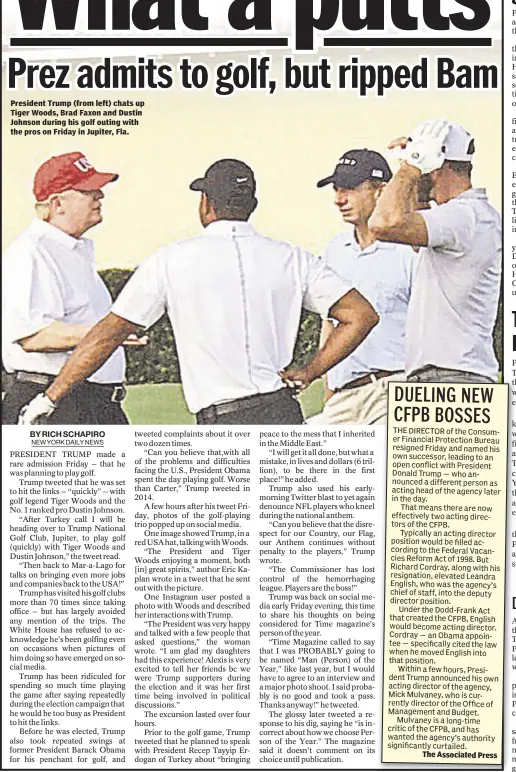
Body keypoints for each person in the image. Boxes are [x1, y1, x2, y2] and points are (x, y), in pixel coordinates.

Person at [19, 158, 379, 426]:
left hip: (222, 421)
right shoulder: (294, 258)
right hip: (282, 412)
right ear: (251, 205)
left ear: (205, 204)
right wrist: (310, 371)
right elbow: (361, 315)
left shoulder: (170, 260)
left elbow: (107, 335)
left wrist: (49, 398)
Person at [2, 151, 147, 425]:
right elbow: (34, 336)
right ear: (57, 204)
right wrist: (110, 333)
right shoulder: (31, 251)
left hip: (87, 404)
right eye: (88, 190)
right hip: (53, 402)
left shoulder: (69, 251)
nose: (100, 196)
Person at [369, 119, 501, 384]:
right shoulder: (467, 217)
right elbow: (413, 235)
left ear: (435, 165)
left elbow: (382, 223)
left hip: (452, 378)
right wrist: (412, 175)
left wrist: (410, 167)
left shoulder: (463, 216)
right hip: (449, 376)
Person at [312, 149, 417, 425]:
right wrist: (330, 393)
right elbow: (331, 324)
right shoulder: (334, 250)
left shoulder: (410, 249)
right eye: (336, 189)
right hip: (343, 398)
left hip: (396, 391)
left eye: (349, 189)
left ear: (380, 191)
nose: (338, 199)